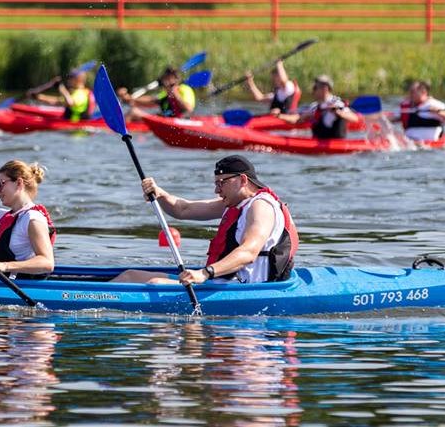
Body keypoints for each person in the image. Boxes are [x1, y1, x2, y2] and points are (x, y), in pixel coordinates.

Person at [112, 155, 298, 286]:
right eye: (216, 183)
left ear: (242, 180)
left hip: (244, 286)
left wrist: (205, 273)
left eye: (221, 183)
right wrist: (160, 194)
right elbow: (183, 209)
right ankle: (85, 298)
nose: (217, 190)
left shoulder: (261, 207)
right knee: (129, 276)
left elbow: (248, 253)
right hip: (222, 281)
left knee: (156, 284)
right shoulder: (237, 203)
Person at [270, 75, 359, 139]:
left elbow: (354, 118)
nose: (313, 91)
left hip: (335, 148)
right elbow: (298, 119)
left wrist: (338, 112)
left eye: (315, 88)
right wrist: (279, 115)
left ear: (325, 89)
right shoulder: (315, 106)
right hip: (319, 143)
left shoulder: (338, 104)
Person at [117, 67, 196, 121]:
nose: (166, 81)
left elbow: (189, 109)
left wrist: (176, 94)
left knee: (134, 112)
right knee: (134, 111)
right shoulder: (165, 94)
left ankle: (115, 130)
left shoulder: (185, 89)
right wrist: (130, 99)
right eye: (165, 78)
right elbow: (151, 101)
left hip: (178, 122)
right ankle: (119, 127)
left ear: (175, 79)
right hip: (165, 121)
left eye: (168, 78)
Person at [28, 70, 96, 122]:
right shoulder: (76, 93)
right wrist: (38, 97)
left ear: (79, 80)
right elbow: (57, 101)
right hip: (68, 124)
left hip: (75, 129)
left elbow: (70, 103)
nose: (69, 80)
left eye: (71, 78)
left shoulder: (81, 94)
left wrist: (61, 88)